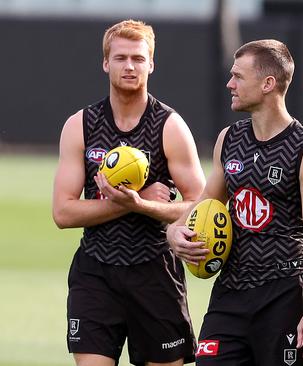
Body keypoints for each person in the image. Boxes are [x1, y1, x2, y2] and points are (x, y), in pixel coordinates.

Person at [166, 39, 303, 365]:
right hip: (231, 292)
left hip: (284, 295)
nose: (230, 84)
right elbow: (202, 203)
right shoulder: (228, 140)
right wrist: (175, 231)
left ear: (268, 83)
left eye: (238, 76)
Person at [52, 19, 205, 366]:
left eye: (138, 58)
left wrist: (142, 206)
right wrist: (133, 204)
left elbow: (200, 205)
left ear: (151, 63)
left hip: (154, 272)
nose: (130, 66)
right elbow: (62, 213)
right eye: (120, 58)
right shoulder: (81, 125)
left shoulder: (170, 126)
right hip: (96, 271)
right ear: (106, 63)